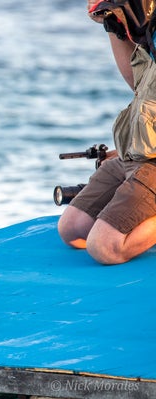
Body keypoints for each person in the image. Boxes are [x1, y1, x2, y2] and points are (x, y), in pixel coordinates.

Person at [57, 1, 156, 265]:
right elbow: (139, 86)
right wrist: (114, 23)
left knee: (105, 247)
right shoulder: (147, 30)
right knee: (72, 229)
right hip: (136, 153)